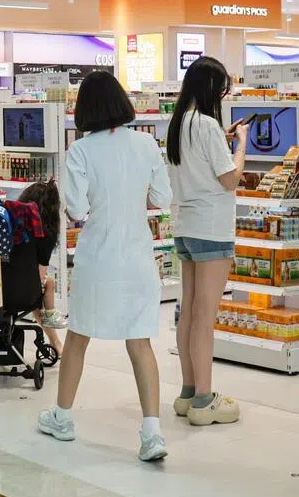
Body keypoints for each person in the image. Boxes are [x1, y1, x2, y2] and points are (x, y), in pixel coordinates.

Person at [39, 71, 173, 462]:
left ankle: (62, 418)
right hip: (137, 258)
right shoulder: (146, 143)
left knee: (79, 336)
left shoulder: (81, 151)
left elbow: (77, 209)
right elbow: (163, 196)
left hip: (97, 257)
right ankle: (152, 433)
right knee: (140, 342)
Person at [167, 57, 248, 427]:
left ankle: (187, 392)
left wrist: (223, 138)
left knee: (189, 310)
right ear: (215, 90)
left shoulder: (179, 122)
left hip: (184, 225)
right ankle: (204, 399)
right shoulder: (207, 125)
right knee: (206, 315)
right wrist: (240, 145)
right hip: (212, 228)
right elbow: (230, 179)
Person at [17, 179, 66, 355]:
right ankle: (55, 338)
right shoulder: (45, 236)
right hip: (24, 288)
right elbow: (37, 278)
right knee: (47, 285)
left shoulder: (9, 224)